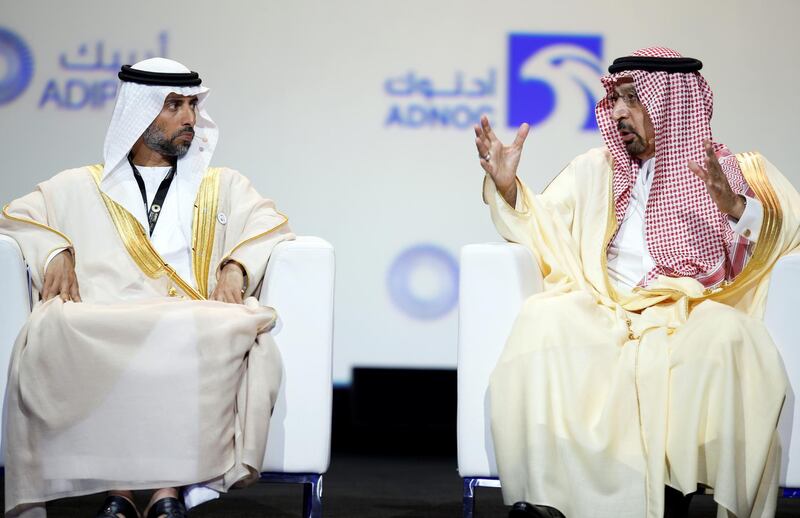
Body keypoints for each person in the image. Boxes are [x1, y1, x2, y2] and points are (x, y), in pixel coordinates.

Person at [474, 47, 800, 518]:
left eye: (633, 99)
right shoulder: (596, 170)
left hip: (688, 309)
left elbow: (787, 226)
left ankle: (673, 495)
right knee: (546, 317)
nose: (620, 112)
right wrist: (509, 188)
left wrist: (735, 209)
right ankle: (548, 500)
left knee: (729, 337)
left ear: (670, 103)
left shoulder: (733, 172)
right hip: (607, 306)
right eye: (616, 100)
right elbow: (545, 222)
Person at [1, 58, 293, 518]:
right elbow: (17, 216)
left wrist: (235, 264)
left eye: (192, 105)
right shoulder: (82, 185)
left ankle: (163, 491)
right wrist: (55, 249)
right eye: (174, 106)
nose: (189, 119)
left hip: (186, 316)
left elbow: (268, 225)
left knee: (184, 330)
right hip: (106, 318)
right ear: (139, 115)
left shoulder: (222, 185)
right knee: (73, 330)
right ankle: (122, 490)